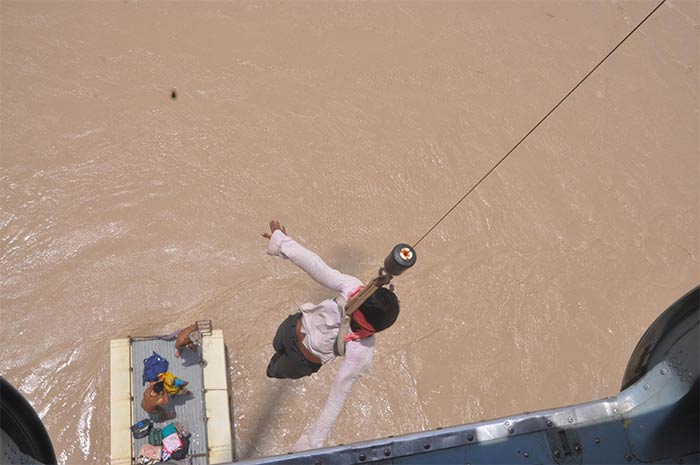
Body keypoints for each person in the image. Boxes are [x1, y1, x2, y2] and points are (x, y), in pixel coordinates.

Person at [262, 220, 400, 451]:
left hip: (301, 362)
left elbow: (336, 398)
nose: (356, 295)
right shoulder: (352, 287)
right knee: (276, 344)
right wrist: (284, 243)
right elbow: (317, 266)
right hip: (291, 327)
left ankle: (272, 368)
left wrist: (312, 442)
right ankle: (276, 357)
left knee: (274, 370)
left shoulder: (361, 350)